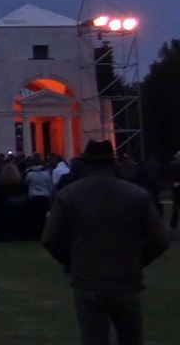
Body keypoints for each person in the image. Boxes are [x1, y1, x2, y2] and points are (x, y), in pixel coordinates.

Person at [41, 140, 169, 345]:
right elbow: (161, 240)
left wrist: (73, 261)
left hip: (88, 280)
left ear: (85, 164)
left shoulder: (69, 194)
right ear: (113, 163)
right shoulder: (136, 194)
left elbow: (49, 238)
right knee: (132, 339)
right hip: (127, 280)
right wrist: (137, 260)